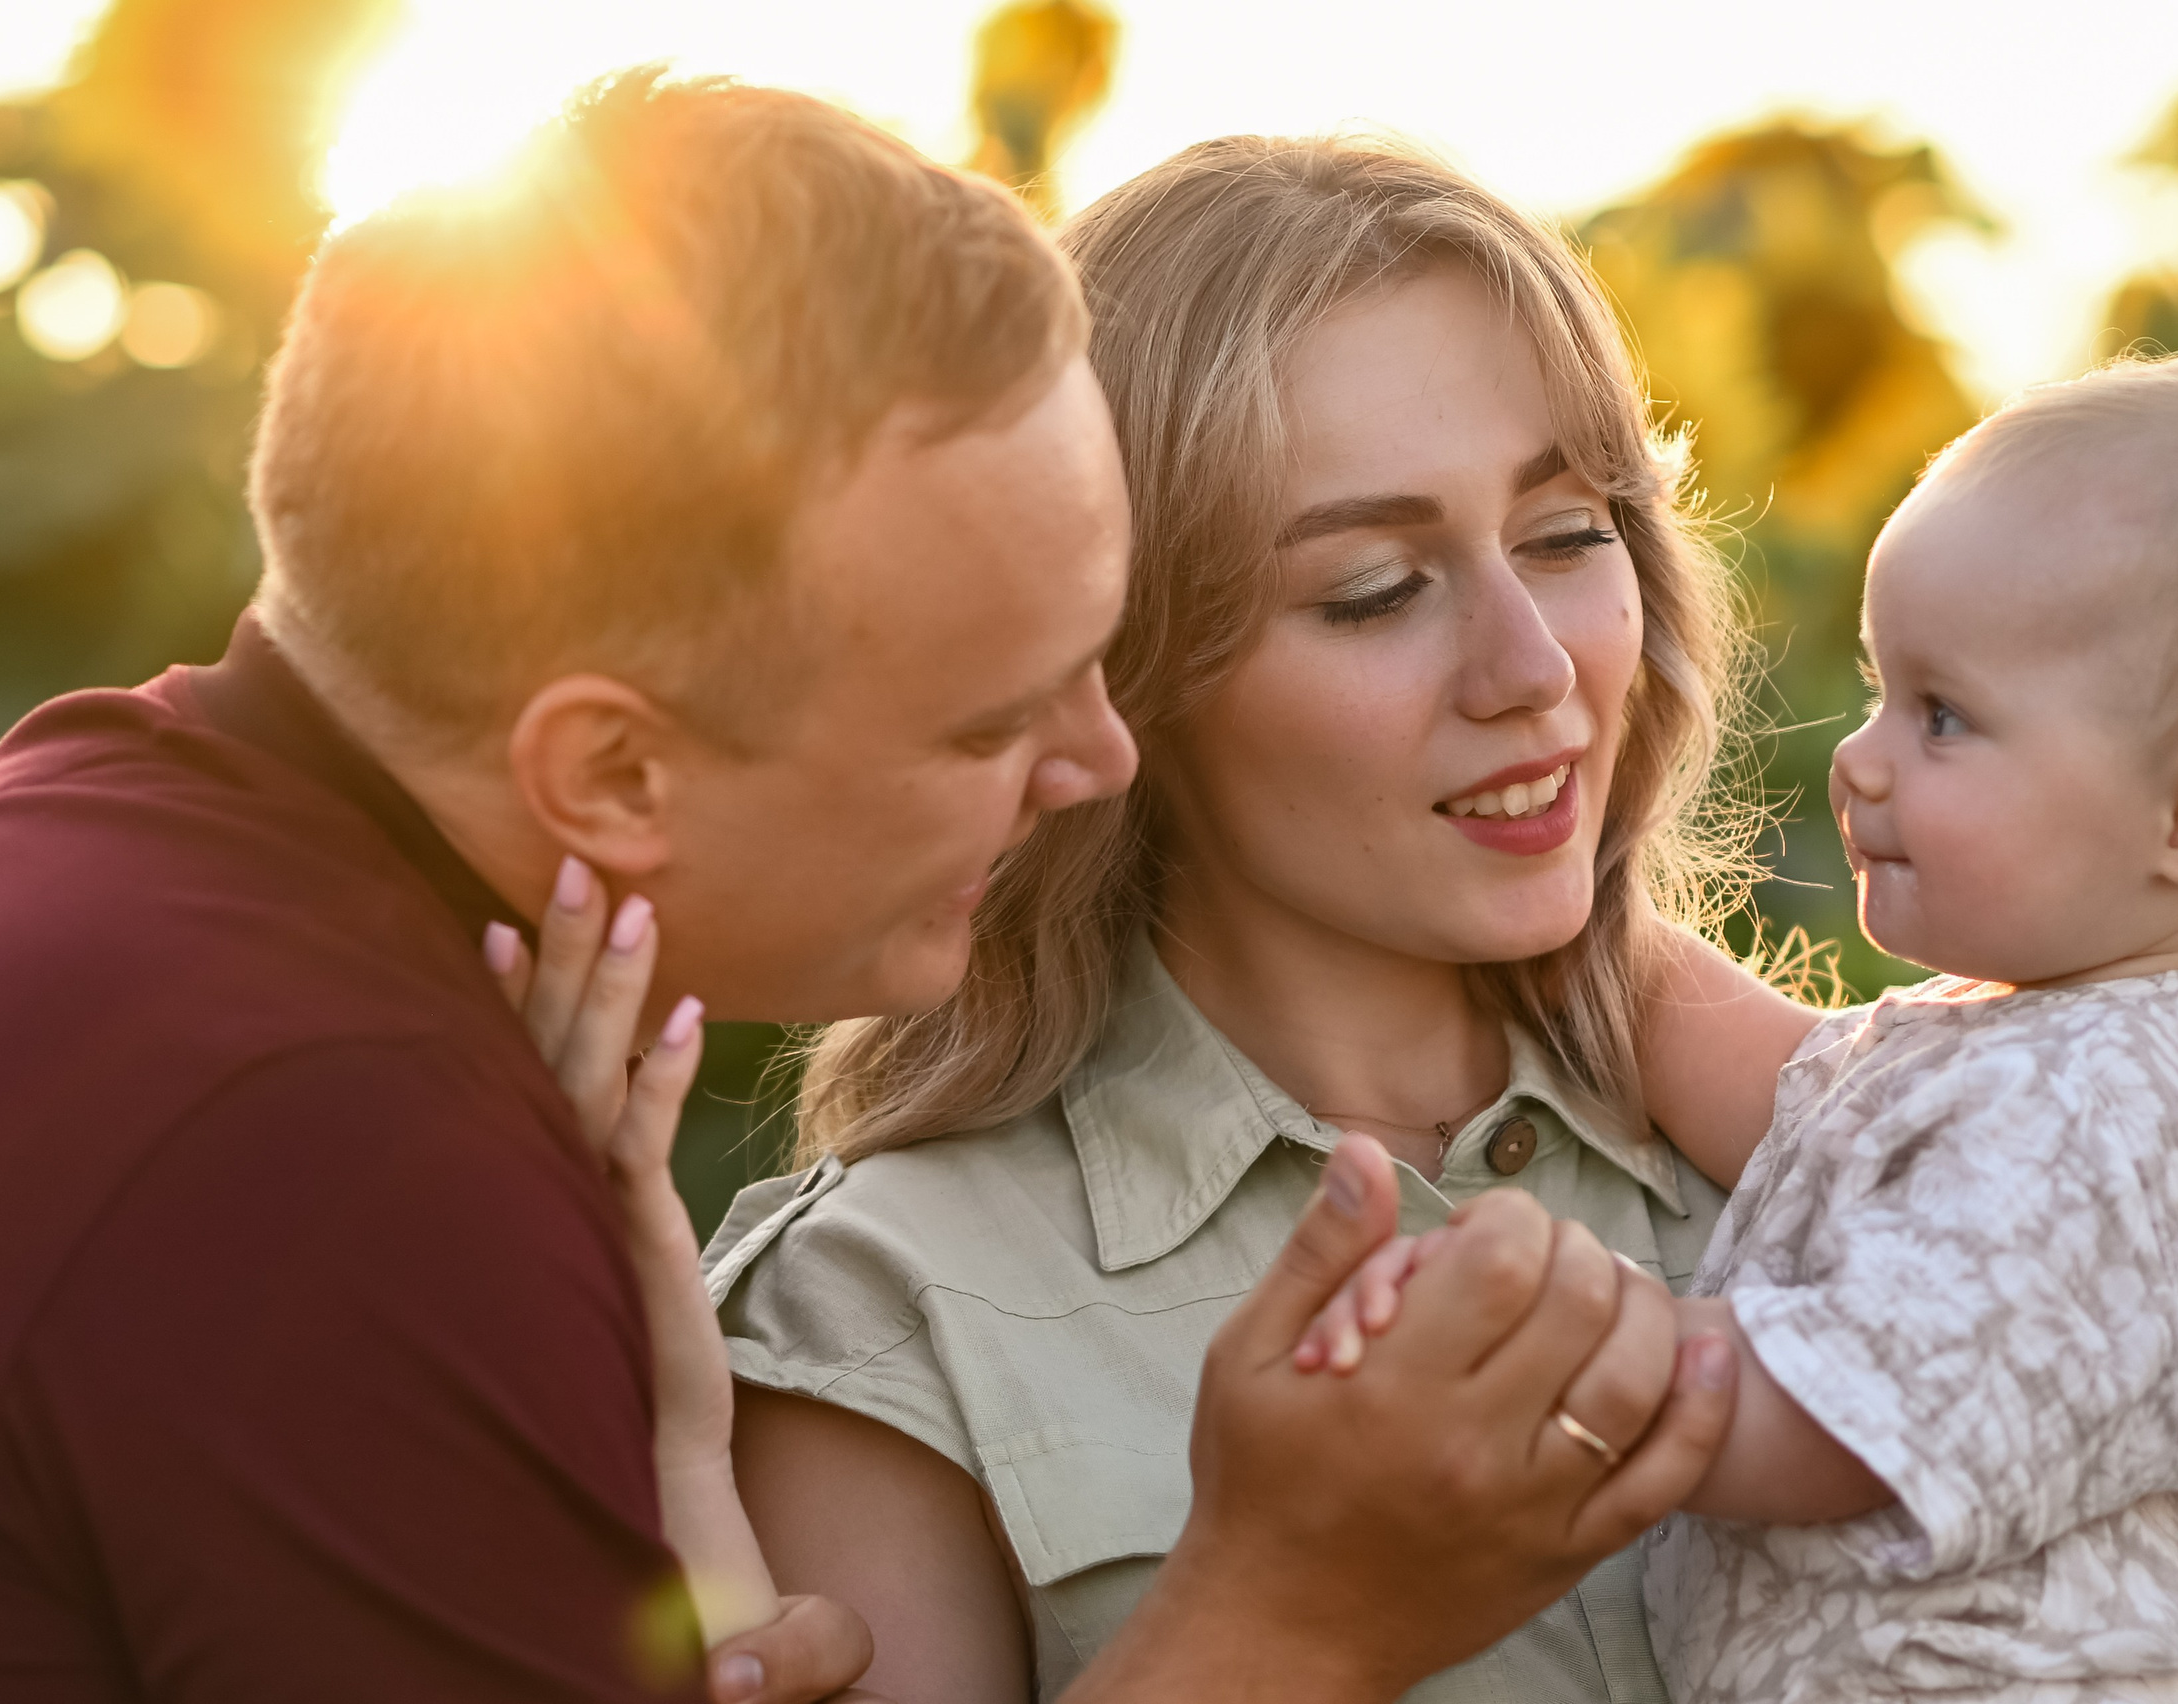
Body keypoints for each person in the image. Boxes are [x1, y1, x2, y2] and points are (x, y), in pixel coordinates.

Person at [0, 75, 1733, 1704]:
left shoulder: (119, 888)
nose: (1089, 754)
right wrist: (1288, 1621)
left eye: (1574, 532)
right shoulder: (336, 1157)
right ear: (612, 776)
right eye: (991, 707)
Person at [703, 135, 1755, 1704]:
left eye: (1566, 533)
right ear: (1119, 679)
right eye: (1374, 590)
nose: (1533, 666)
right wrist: (1275, 1622)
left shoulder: (1862, 1155)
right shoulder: (883, 1308)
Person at [1305, 352, 2178, 1701]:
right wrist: (1564, 915)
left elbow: (1830, 1425)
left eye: (1944, 717)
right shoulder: (2095, 1043)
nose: (1860, 760)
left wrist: (1570, 1331)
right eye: (1879, 692)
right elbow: (1796, 1097)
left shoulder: (2121, 1129)